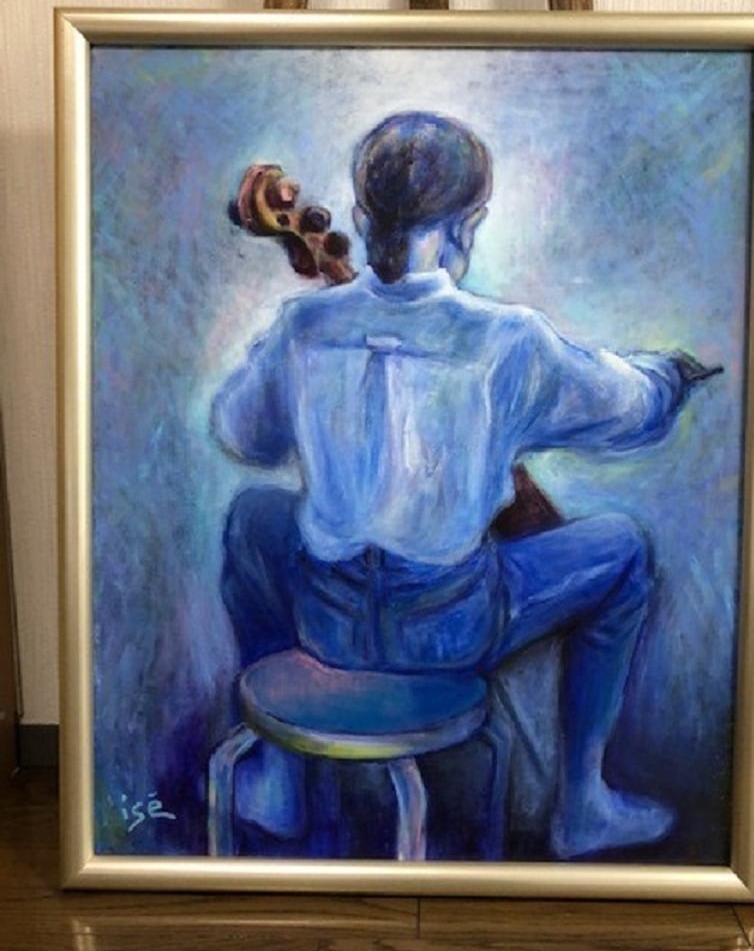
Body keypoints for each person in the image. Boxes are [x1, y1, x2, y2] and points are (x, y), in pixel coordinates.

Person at [211, 111, 719, 859]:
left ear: (361, 219)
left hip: (328, 619)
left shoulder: (303, 326)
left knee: (254, 518)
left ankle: (279, 780)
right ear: (466, 225)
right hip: (449, 631)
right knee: (623, 550)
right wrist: (669, 376)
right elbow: (630, 412)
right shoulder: (508, 340)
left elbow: (239, 434)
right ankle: (582, 805)